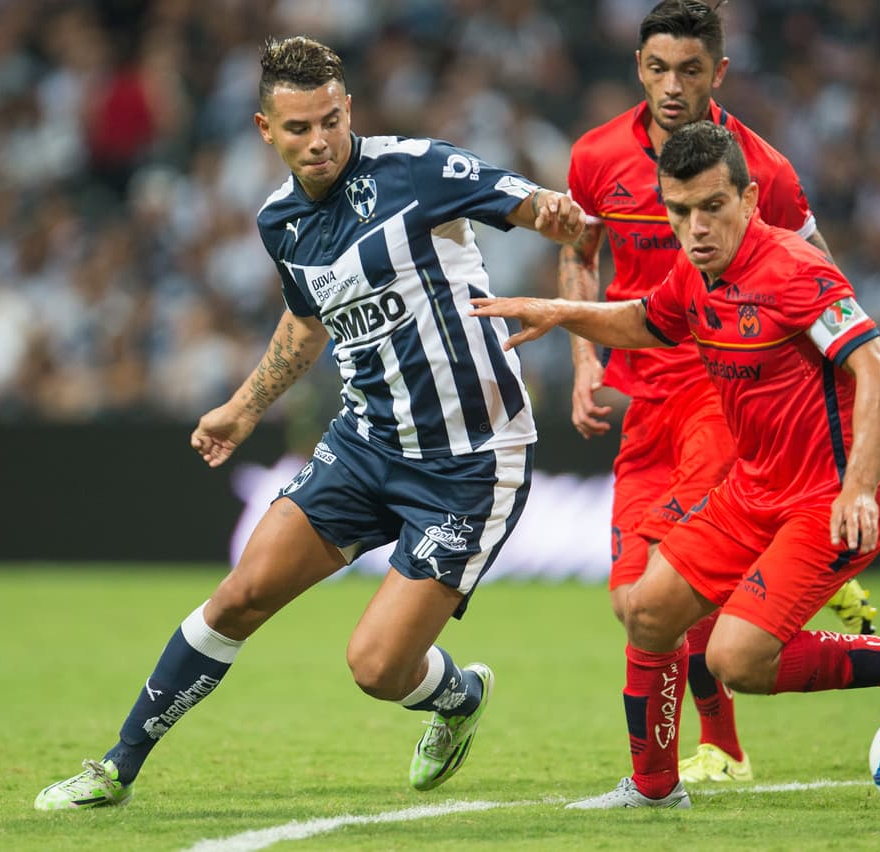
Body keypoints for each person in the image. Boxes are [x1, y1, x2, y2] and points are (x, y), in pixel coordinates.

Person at [33, 35, 585, 810]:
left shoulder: (421, 169)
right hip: (365, 446)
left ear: (348, 107)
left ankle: (456, 697)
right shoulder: (279, 222)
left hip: (471, 461)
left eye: (330, 119)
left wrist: (562, 243)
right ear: (266, 130)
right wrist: (242, 406)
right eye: (298, 128)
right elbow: (305, 325)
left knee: (376, 668)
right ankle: (116, 767)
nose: (319, 140)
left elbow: (560, 221)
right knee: (238, 597)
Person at [472, 120, 880, 810]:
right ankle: (655, 791)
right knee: (648, 612)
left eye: (712, 207)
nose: (695, 227)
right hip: (752, 489)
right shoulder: (697, 271)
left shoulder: (797, 272)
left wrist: (857, 488)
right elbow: (649, 322)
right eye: (680, 212)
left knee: (736, 660)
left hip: (826, 497)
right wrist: (564, 312)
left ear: (750, 198)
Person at [557, 0, 878, 784]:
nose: (673, 86)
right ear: (638, 66)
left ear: (719, 73)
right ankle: (714, 743)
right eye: (659, 68)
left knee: (680, 571)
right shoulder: (595, 156)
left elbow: (818, 271)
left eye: (690, 70)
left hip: (724, 387)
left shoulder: (761, 169)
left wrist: (842, 415)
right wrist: (582, 364)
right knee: (634, 601)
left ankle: (716, 749)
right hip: (645, 390)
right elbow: (579, 257)